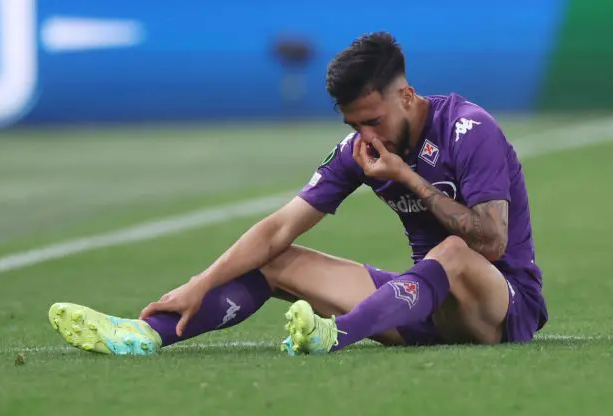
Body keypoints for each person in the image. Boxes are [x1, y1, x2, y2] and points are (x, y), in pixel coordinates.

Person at [48, 32, 547, 356]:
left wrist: (410, 178)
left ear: (408, 97)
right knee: (277, 260)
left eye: (373, 121)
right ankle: (144, 335)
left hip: (502, 309)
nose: (365, 137)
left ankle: (336, 334)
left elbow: (491, 242)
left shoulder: (467, 127)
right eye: (354, 125)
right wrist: (200, 282)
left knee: (455, 250)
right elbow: (279, 226)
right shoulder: (359, 150)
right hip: (419, 306)